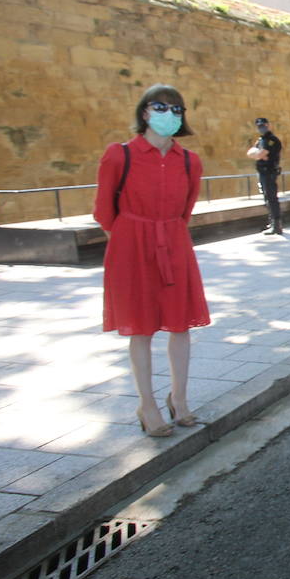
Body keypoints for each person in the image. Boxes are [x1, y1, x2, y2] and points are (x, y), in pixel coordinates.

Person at [93, 84, 210, 437]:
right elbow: (103, 211)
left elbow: (186, 209)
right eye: (161, 107)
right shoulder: (119, 155)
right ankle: (148, 404)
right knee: (140, 328)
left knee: (180, 325)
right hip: (131, 245)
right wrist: (132, 239)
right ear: (145, 112)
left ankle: (180, 398)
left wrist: (164, 234)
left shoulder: (190, 161)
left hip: (173, 241)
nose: (170, 115)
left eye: (177, 110)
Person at [247, 116, 283, 234]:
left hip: (269, 172)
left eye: (263, 125)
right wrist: (258, 154)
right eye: (259, 126)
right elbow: (250, 153)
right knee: (267, 198)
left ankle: (276, 225)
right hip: (262, 172)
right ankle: (273, 222)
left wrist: (258, 154)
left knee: (271, 198)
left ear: (268, 125)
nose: (261, 128)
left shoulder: (272, 140)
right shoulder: (261, 140)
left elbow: (259, 154)